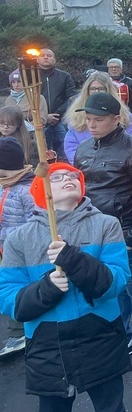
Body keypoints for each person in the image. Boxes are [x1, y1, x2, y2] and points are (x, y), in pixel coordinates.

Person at [0, 162, 131, 411]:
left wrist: (73, 259)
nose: (68, 178)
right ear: (41, 188)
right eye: (57, 177)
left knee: (111, 406)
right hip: (49, 348)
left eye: (73, 175)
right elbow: (8, 298)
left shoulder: (106, 225)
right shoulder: (20, 238)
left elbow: (116, 282)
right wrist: (45, 289)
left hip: (100, 339)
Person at [73, 92, 132, 382]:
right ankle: (122, 336)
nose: (92, 125)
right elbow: (80, 194)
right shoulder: (83, 149)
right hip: (93, 233)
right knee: (110, 288)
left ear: (116, 119)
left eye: (98, 120)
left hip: (125, 232)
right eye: (88, 120)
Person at [0, 138, 35, 358]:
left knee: (18, 287)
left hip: (20, 250)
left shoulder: (26, 190)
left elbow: (34, 222)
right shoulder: (4, 185)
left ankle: (20, 332)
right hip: (4, 248)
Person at [63, 71, 132, 164]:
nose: (96, 92)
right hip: (86, 167)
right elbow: (71, 146)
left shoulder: (125, 116)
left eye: (101, 89)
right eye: (93, 89)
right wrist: (84, 165)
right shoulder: (77, 115)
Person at [36, 48, 76, 159]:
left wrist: (57, 114)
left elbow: (72, 97)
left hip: (61, 120)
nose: (45, 57)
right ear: (37, 59)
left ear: (54, 59)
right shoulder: (32, 77)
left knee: (65, 149)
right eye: (42, 55)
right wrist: (45, 116)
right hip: (40, 121)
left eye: (49, 55)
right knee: (43, 151)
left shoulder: (65, 76)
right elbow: (28, 98)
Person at [106, 58, 132, 124]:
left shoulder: (129, 82)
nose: (113, 69)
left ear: (121, 69)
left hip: (126, 113)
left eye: (116, 67)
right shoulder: (104, 82)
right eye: (111, 67)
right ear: (108, 70)